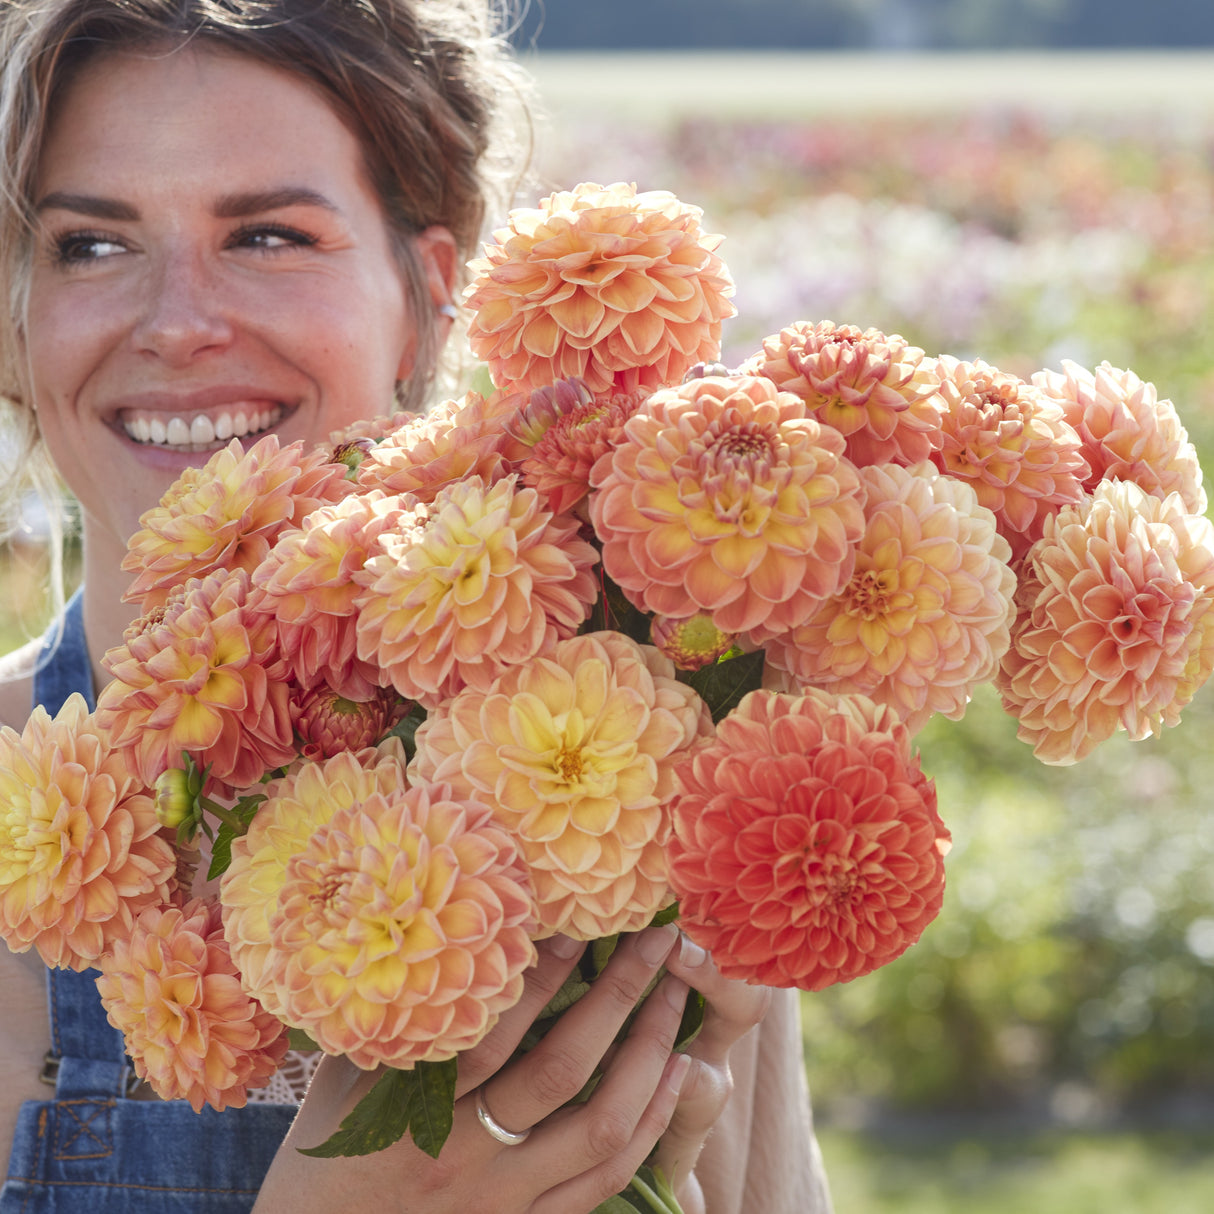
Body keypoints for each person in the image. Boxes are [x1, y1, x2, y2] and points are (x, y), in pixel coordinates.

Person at [0, 2, 833, 1211]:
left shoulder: (631, 804)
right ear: (16, 324)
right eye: (90, 244)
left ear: (428, 293)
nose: (177, 322)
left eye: (271, 235)